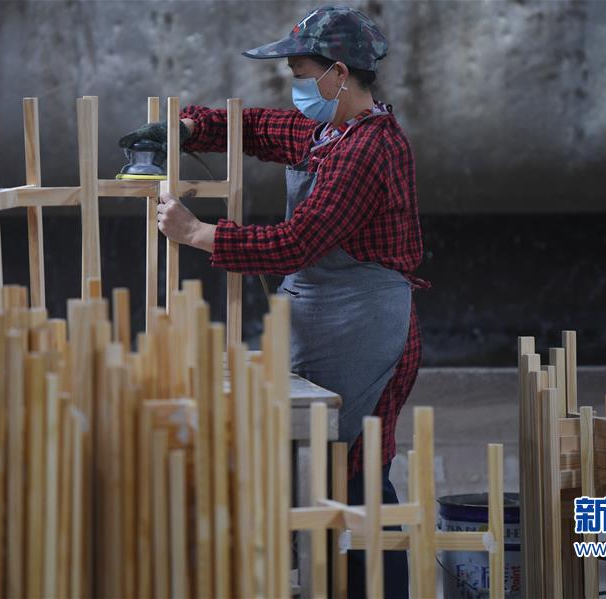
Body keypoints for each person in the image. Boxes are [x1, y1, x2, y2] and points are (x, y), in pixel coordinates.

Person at [119, 5, 430, 597]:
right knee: (312, 459)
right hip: (323, 314)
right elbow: (259, 129)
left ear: (339, 74)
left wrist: (197, 233)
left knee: (359, 473)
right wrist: (186, 129)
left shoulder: (369, 148)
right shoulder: (327, 130)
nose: (295, 84)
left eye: (301, 71)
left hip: (366, 325)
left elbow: (297, 242)